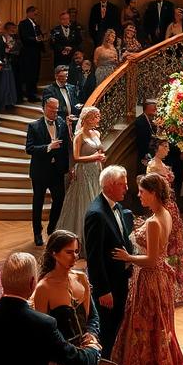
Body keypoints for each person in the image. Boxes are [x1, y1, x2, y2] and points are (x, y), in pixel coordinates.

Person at [110, 172, 183, 365]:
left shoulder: (156, 221)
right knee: (159, 331)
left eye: (142, 192)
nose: (138, 195)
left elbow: (151, 259)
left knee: (147, 333)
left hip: (149, 280)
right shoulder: (164, 214)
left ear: (154, 193)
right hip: (158, 278)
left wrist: (128, 258)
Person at [83, 166, 134, 358]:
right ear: (110, 186)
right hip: (108, 286)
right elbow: (94, 257)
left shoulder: (117, 206)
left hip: (119, 279)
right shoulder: (96, 214)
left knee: (116, 324)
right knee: (106, 329)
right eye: (123, 184)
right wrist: (103, 290)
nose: (126, 188)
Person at [146, 138, 183, 302]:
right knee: (168, 243)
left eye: (168, 146)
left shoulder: (162, 164)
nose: (168, 149)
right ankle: (168, 285)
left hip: (171, 206)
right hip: (163, 206)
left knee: (179, 243)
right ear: (157, 148)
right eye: (165, 146)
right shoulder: (152, 165)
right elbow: (152, 189)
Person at [52, 106, 106, 257]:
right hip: (84, 173)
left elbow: (99, 150)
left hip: (96, 171)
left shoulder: (97, 133)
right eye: (96, 117)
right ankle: (81, 242)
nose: (98, 119)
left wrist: (100, 157)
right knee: (85, 203)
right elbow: (76, 158)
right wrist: (95, 158)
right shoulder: (79, 136)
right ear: (87, 119)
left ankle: (98, 239)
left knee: (97, 199)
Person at [31, 232, 101, 342]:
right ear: (54, 253)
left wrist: (91, 333)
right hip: (62, 354)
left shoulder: (82, 278)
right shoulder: (44, 288)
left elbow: (93, 316)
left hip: (86, 348)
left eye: (76, 252)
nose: (75, 257)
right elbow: (43, 332)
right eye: (69, 252)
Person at [26, 96, 69, 247]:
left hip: (57, 171)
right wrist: (48, 147)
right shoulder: (34, 126)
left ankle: (52, 228)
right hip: (40, 172)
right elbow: (29, 149)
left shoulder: (62, 123)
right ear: (44, 108)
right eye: (52, 109)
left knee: (59, 199)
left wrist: (67, 168)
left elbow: (66, 147)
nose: (55, 112)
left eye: (57, 109)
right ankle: (37, 232)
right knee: (38, 202)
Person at [16, 5, 44, 102]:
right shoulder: (23, 23)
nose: (35, 15)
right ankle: (30, 94)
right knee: (29, 73)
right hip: (28, 52)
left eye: (36, 14)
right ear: (29, 13)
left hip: (36, 52)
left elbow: (39, 35)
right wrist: (36, 39)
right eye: (34, 13)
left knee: (35, 73)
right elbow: (24, 37)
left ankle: (33, 92)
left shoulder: (36, 24)